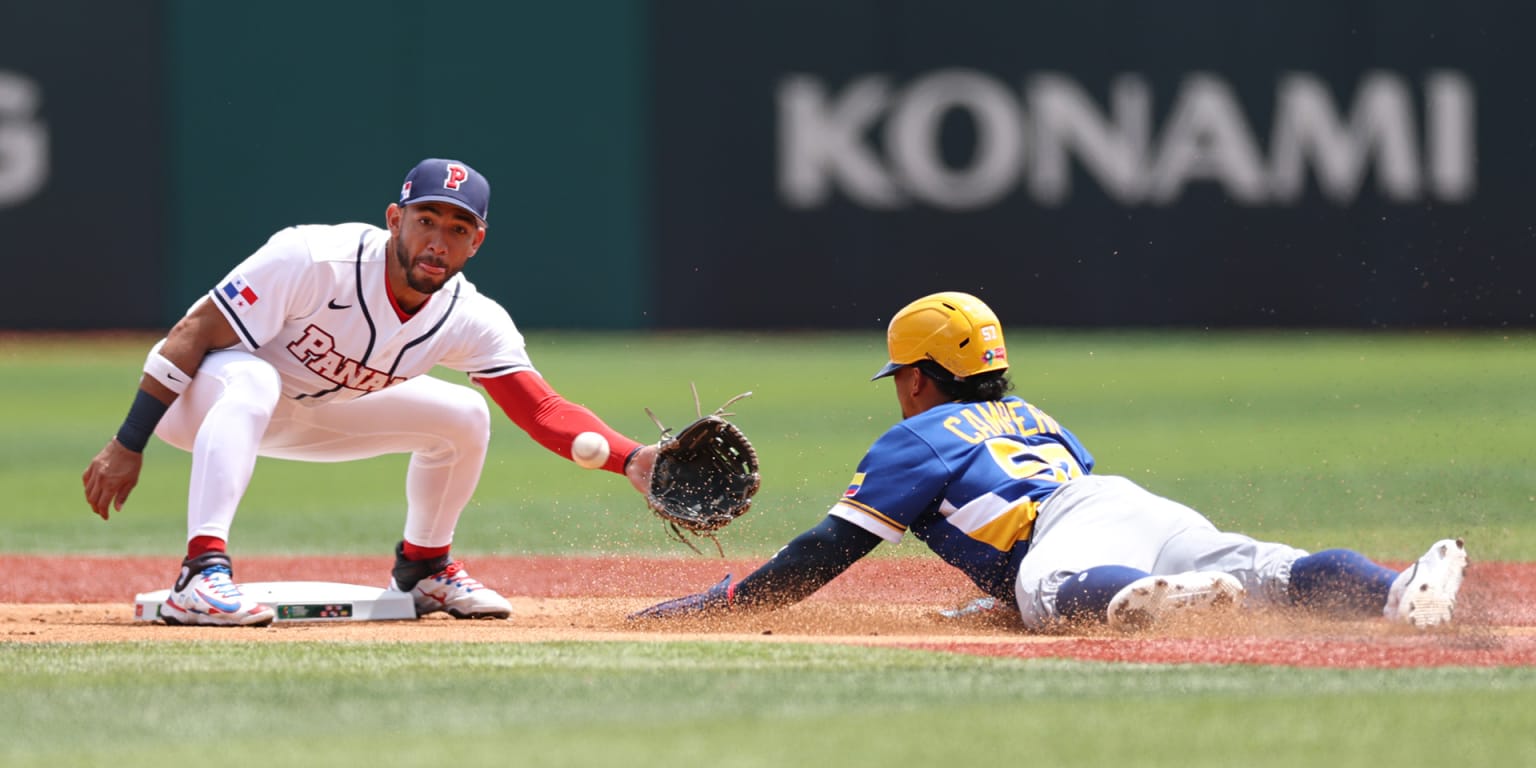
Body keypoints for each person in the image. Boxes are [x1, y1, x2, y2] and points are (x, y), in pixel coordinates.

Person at [630, 291, 1468, 632]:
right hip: (1128, 502)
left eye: (903, 376)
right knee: (1270, 568)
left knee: (1049, 593)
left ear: (920, 376)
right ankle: (1395, 590)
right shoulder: (1037, 415)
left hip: (1070, 530)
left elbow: (818, 557)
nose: (900, 391)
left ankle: (1156, 600)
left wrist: (708, 606)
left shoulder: (914, 437)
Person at [82, 158, 660, 626]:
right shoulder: (314, 258)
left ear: (476, 242)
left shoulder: (470, 317)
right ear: (394, 218)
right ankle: (200, 575)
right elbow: (191, 333)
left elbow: (541, 408)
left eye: (457, 229)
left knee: (464, 412)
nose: (438, 240)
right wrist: (127, 442)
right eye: (426, 220)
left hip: (311, 411)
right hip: (204, 404)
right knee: (256, 378)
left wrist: (632, 459)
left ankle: (424, 569)